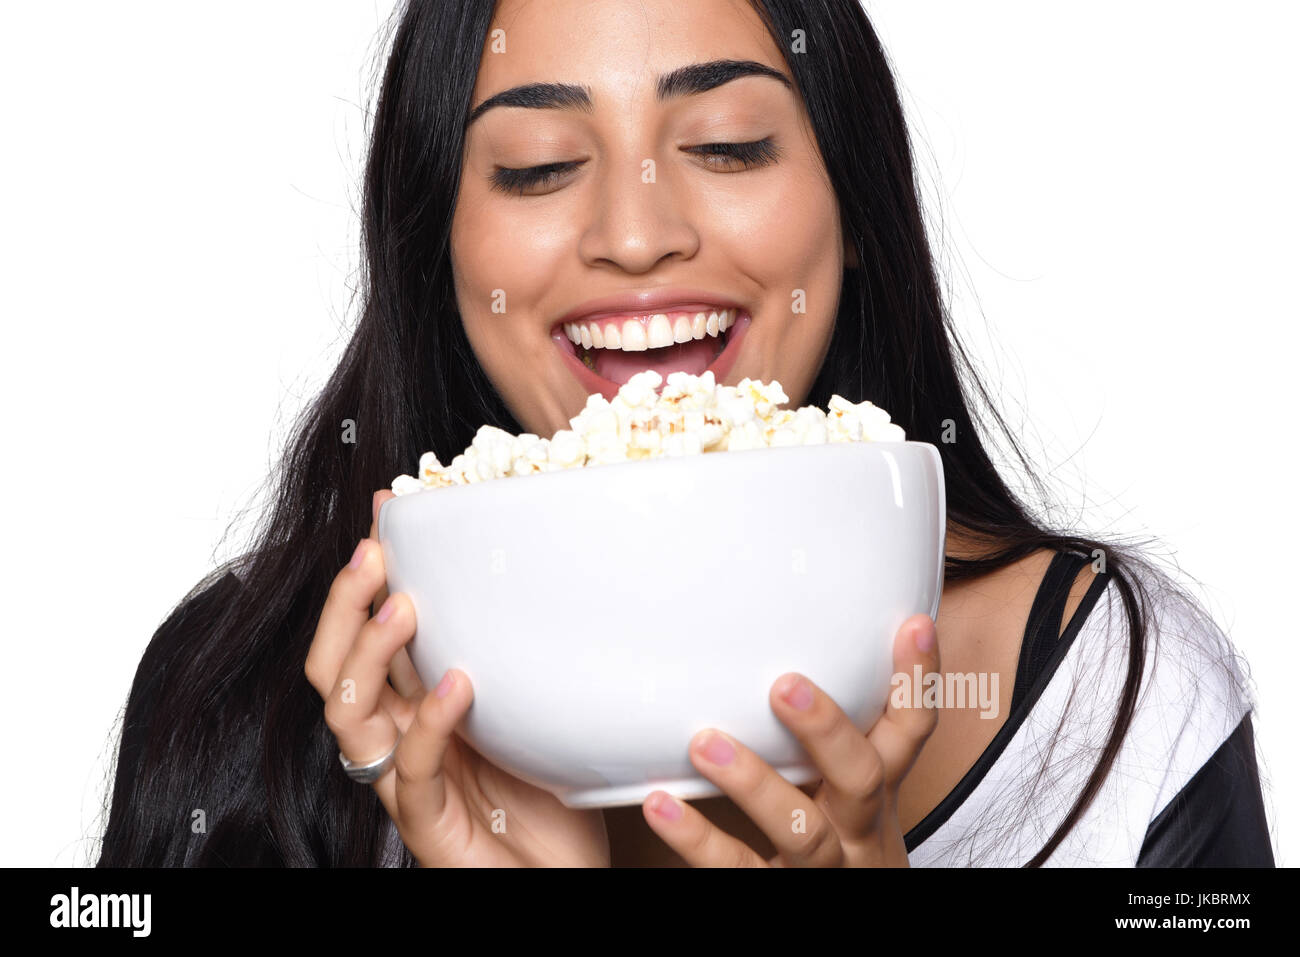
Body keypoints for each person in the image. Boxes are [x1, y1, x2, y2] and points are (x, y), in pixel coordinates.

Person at [95, 0, 1273, 867]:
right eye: (539, 165)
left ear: (855, 210)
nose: (637, 232)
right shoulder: (232, 707)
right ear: (434, 247)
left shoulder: (1118, 699)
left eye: (727, 146)